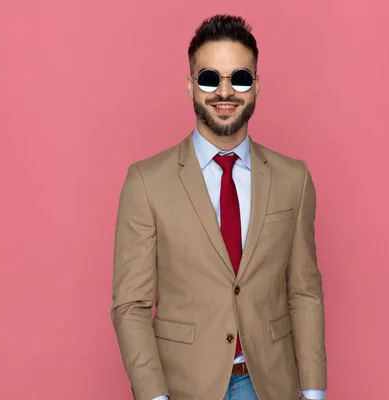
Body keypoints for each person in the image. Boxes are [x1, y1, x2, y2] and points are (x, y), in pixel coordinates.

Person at [111, 14, 327, 400]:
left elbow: (305, 294)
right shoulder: (146, 182)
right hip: (184, 388)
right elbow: (131, 305)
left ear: (256, 86)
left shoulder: (294, 179)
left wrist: (313, 393)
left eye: (239, 78)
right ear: (191, 86)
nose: (224, 92)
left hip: (270, 386)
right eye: (210, 78)